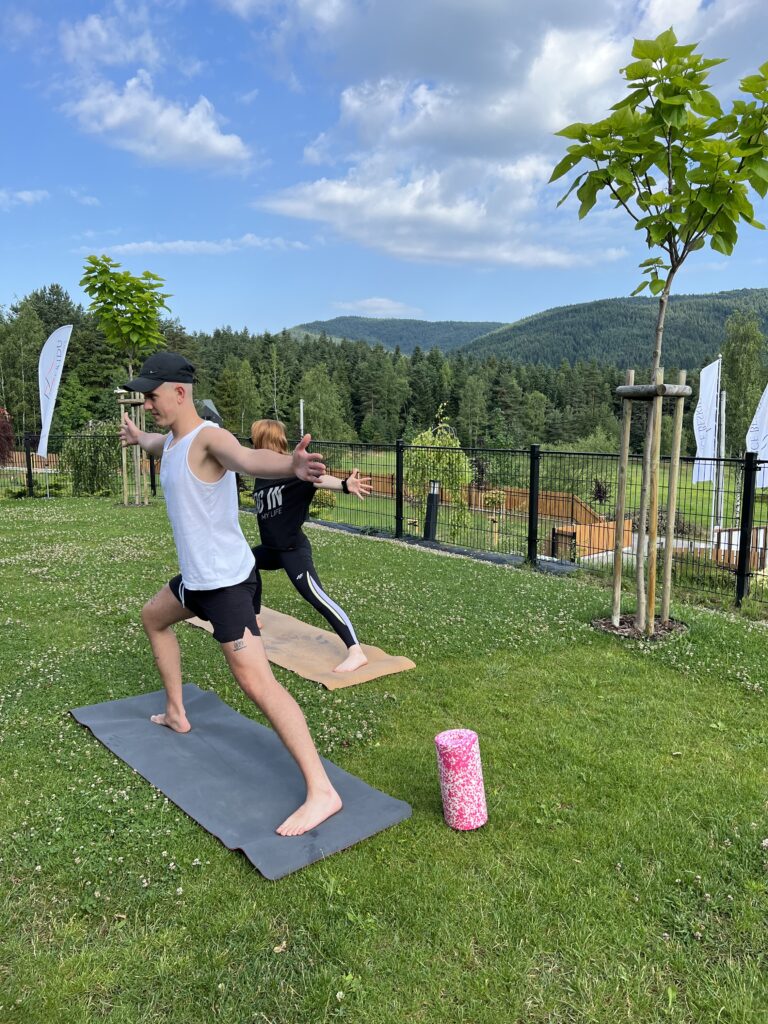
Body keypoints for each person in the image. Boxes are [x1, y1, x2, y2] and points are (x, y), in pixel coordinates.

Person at [119, 352, 341, 838]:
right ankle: (177, 713)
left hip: (227, 587)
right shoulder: (176, 441)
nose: (147, 404)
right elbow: (161, 445)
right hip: (196, 580)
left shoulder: (210, 438)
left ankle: (323, 790)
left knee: (259, 684)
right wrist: (141, 440)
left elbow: (249, 458)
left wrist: (291, 464)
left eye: (152, 396)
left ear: (180, 392)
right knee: (154, 617)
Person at [249, 419, 372, 673]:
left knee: (317, 597)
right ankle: (254, 615)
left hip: (293, 550)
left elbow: (318, 478)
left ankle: (356, 650)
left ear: (263, 441)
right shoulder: (263, 472)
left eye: (253, 440)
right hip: (272, 549)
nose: (250, 445)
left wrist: (344, 485)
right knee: (246, 561)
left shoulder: (294, 471)